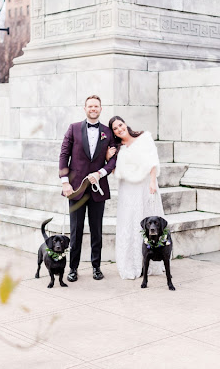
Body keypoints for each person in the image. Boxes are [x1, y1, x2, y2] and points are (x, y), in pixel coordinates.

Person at [59, 95, 116, 282]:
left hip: (98, 188)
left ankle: (96, 267)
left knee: (96, 230)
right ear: (85, 108)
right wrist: (64, 182)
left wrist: (101, 172)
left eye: (96, 106)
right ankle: (73, 268)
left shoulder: (108, 132)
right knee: (75, 230)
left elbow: (114, 159)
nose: (93, 109)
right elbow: (64, 154)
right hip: (75, 189)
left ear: (101, 109)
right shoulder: (73, 128)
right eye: (90, 106)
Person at [106, 116, 165, 280]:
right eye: (115, 129)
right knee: (129, 223)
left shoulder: (144, 137)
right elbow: (114, 171)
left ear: (125, 124)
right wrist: (108, 157)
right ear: (114, 133)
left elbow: (153, 160)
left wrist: (153, 181)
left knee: (148, 219)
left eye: (120, 125)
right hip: (128, 190)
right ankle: (132, 263)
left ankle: (153, 262)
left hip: (145, 185)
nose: (119, 129)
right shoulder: (118, 149)